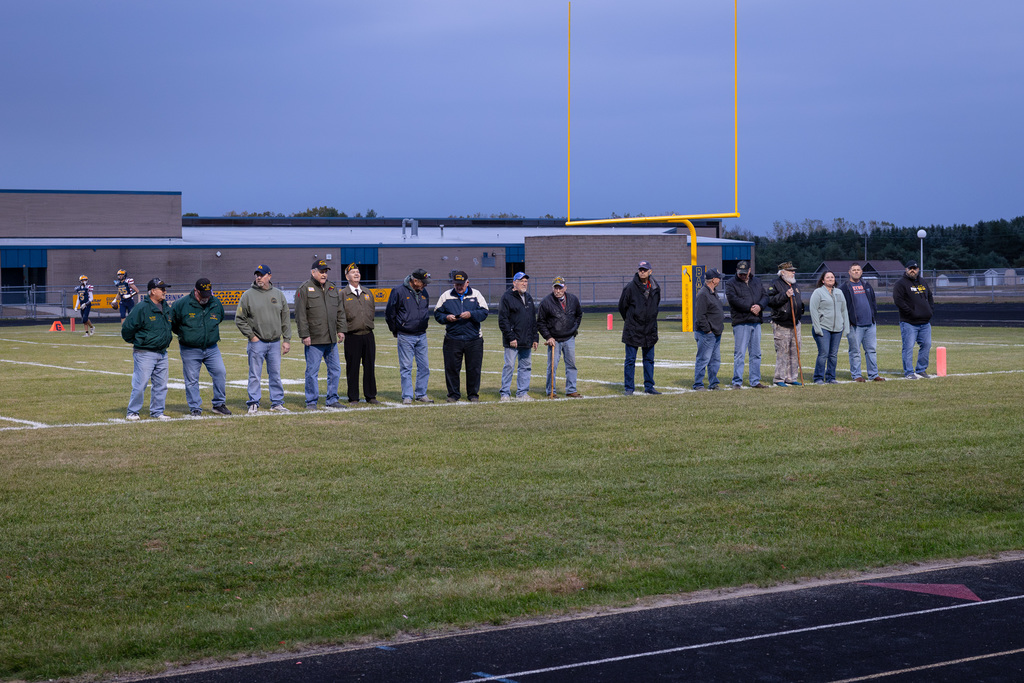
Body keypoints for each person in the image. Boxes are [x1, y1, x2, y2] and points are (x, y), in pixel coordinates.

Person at [235, 264, 292, 414]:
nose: (258, 277)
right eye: (257, 275)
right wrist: (252, 336)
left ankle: (277, 402)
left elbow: (285, 319)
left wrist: (286, 339)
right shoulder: (248, 295)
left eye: (262, 274)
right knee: (255, 374)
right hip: (257, 342)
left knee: (275, 374)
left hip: (275, 342)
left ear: (269, 276)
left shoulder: (279, 294)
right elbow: (239, 319)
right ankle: (253, 402)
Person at [170, 278, 231, 417]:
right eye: (203, 295)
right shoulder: (181, 304)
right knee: (192, 379)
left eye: (208, 294)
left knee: (220, 372)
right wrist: (187, 335)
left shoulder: (215, 302)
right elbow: (173, 323)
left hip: (211, 347)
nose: (206, 298)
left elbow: (219, 317)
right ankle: (195, 408)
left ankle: (219, 404)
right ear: (196, 291)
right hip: (190, 349)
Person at [294, 259, 347, 411]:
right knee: (312, 372)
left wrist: (341, 329)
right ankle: (311, 401)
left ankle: (332, 399)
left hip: (331, 338)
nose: (324, 274)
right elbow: (300, 314)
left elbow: (340, 311)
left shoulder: (332, 288)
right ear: (313, 272)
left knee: (335, 370)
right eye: (321, 271)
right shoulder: (304, 289)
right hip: (314, 339)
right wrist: (304, 335)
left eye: (326, 271)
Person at [121, 277, 173, 421]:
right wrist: (139, 341)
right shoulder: (141, 308)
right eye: (161, 289)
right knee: (140, 384)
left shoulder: (166, 307)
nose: (164, 291)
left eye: (165, 289)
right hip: (145, 352)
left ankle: (157, 411)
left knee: (161, 385)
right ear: (152, 291)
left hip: (162, 352)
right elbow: (127, 329)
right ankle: (132, 411)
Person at [434, 270, 489, 403]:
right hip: (453, 339)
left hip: (474, 339)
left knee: (474, 368)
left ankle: (473, 394)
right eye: (456, 284)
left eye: (461, 284)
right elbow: (437, 314)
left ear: (467, 283)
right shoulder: (446, 296)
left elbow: (484, 312)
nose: (459, 287)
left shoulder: (476, 295)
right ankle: (453, 394)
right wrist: (446, 318)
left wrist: (471, 314)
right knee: (452, 368)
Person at [385, 269, 434, 405]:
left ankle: (421, 393)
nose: (425, 285)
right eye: (423, 282)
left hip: (421, 334)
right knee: (406, 367)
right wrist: (395, 330)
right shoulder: (398, 291)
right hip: (405, 335)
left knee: (424, 367)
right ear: (415, 281)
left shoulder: (424, 292)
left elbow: (425, 310)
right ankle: (407, 395)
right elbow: (390, 312)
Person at [618, 260, 661, 395]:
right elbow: (622, 307)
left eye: (644, 270)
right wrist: (631, 320)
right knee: (630, 360)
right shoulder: (630, 287)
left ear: (650, 271)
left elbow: (656, 305)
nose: (642, 272)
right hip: (633, 329)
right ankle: (629, 388)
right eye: (640, 269)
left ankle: (649, 386)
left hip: (649, 329)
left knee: (649, 359)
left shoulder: (655, 287)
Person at [537, 276, 583, 398]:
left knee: (571, 365)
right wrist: (548, 337)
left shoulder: (573, 299)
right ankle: (551, 391)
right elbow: (540, 322)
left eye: (560, 288)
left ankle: (571, 389)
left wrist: (574, 328)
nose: (558, 291)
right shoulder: (546, 302)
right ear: (553, 288)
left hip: (569, 338)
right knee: (552, 367)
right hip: (554, 340)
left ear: (565, 288)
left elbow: (579, 315)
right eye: (556, 288)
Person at [724, 260, 768, 389]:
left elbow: (765, 296)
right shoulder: (731, 283)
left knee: (756, 353)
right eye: (740, 273)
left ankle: (755, 380)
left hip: (755, 322)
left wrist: (759, 306)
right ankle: (737, 381)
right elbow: (733, 300)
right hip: (741, 322)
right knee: (740, 353)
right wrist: (750, 308)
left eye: (744, 273)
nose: (742, 275)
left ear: (749, 270)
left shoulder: (757, 281)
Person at [839, 263, 885, 382]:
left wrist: (873, 316)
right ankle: (856, 375)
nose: (856, 272)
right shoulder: (844, 288)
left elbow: (873, 302)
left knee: (871, 350)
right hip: (854, 325)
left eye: (858, 270)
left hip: (870, 324)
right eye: (853, 270)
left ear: (861, 272)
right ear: (849, 272)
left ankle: (874, 375)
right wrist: (846, 321)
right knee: (855, 351)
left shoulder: (866, 285)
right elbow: (840, 306)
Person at [341, 263, 379, 404]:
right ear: (347, 276)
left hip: (368, 334)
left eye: (358, 272)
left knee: (370, 366)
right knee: (353, 368)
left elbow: (372, 311)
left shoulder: (368, 292)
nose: (356, 274)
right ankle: (353, 397)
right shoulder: (342, 294)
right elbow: (340, 315)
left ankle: (371, 396)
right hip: (352, 336)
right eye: (353, 272)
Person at [498, 272, 538, 401]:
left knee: (525, 366)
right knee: (509, 365)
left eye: (526, 281)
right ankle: (505, 393)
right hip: (513, 339)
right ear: (514, 282)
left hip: (526, 339)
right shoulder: (506, 297)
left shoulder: (529, 297)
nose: (524, 283)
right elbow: (503, 320)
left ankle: (522, 393)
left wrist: (535, 337)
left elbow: (532, 319)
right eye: (521, 281)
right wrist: (511, 337)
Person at [892, 260, 934, 379]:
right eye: (910, 268)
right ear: (906, 269)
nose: (912, 270)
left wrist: (930, 311)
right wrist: (911, 312)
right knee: (908, 347)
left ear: (918, 269)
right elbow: (898, 300)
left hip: (925, 323)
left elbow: (930, 297)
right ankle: (909, 372)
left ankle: (921, 369)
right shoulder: (900, 283)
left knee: (926, 345)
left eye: (914, 268)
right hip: (909, 322)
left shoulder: (923, 282)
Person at [766, 261, 805, 387]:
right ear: (782, 272)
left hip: (795, 323)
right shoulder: (775, 284)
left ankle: (791, 377)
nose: (793, 272)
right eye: (790, 270)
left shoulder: (794, 284)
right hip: (781, 323)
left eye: (793, 270)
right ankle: (779, 378)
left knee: (794, 351)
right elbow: (770, 301)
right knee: (782, 352)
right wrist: (784, 295)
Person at [809, 270, 850, 385]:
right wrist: (817, 328)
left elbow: (844, 310)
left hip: (837, 329)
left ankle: (831, 377)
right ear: (823, 280)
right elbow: (813, 310)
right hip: (823, 327)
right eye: (828, 277)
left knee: (833, 354)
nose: (831, 279)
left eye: (832, 277)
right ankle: (818, 377)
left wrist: (845, 327)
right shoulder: (818, 292)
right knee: (824, 353)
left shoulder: (839, 292)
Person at [693, 268, 725, 390]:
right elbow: (700, 315)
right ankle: (698, 384)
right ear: (713, 280)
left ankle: (713, 383)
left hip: (715, 332)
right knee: (703, 359)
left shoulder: (713, 292)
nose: (720, 279)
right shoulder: (703, 294)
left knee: (715, 360)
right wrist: (708, 330)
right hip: (706, 333)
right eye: (718, 277)